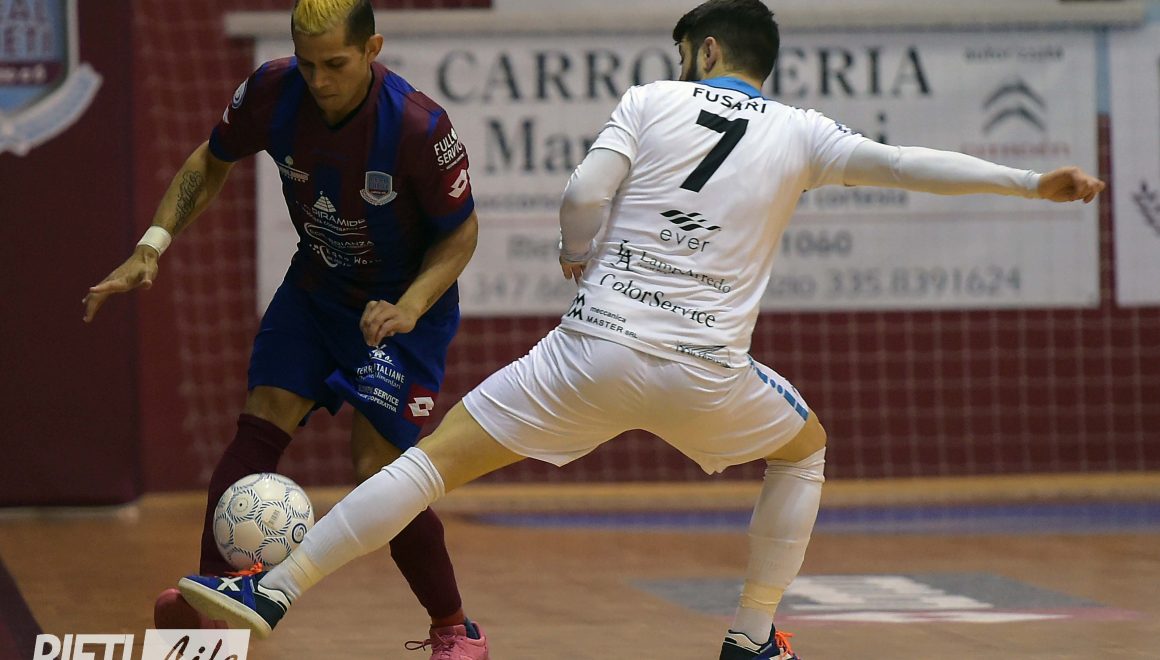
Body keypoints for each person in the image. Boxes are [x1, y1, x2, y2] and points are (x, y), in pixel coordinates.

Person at [172, 0, 1106, 658]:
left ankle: (276, 589)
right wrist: (1031, 184)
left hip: (587, 355)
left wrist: (577, 253)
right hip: (706, 373)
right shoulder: (804, 131)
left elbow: (584, 190)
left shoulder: (653, 100)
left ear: (704, 49)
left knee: (426, 466)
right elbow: (906, 166)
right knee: (805, 451)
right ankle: (751, 634)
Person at [82, 1, 491, 657]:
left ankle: (455, 629)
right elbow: (210, 160)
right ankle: (208, 606)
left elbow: (461, 235)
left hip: (399, 313)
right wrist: (152, 244)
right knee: (260, 420)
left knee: (378, 472)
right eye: (308, 64)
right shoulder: (273, 90)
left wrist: (411, 305)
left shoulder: (418, 125)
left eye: (335, 64)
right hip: (316, 289)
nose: (319, 80)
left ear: (372, 50)